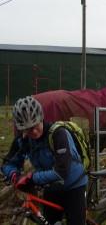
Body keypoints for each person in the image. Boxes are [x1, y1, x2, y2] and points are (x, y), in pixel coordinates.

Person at [1, 96, 87, 225]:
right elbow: (7, 164)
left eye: (35, 125)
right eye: (28, 129)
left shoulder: (58, 134)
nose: (33, 131)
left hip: (74, 184)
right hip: (51, 187)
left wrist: (31, 178)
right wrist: (14, 174)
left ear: (41, 118)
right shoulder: (23, 140)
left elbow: (61, 172)